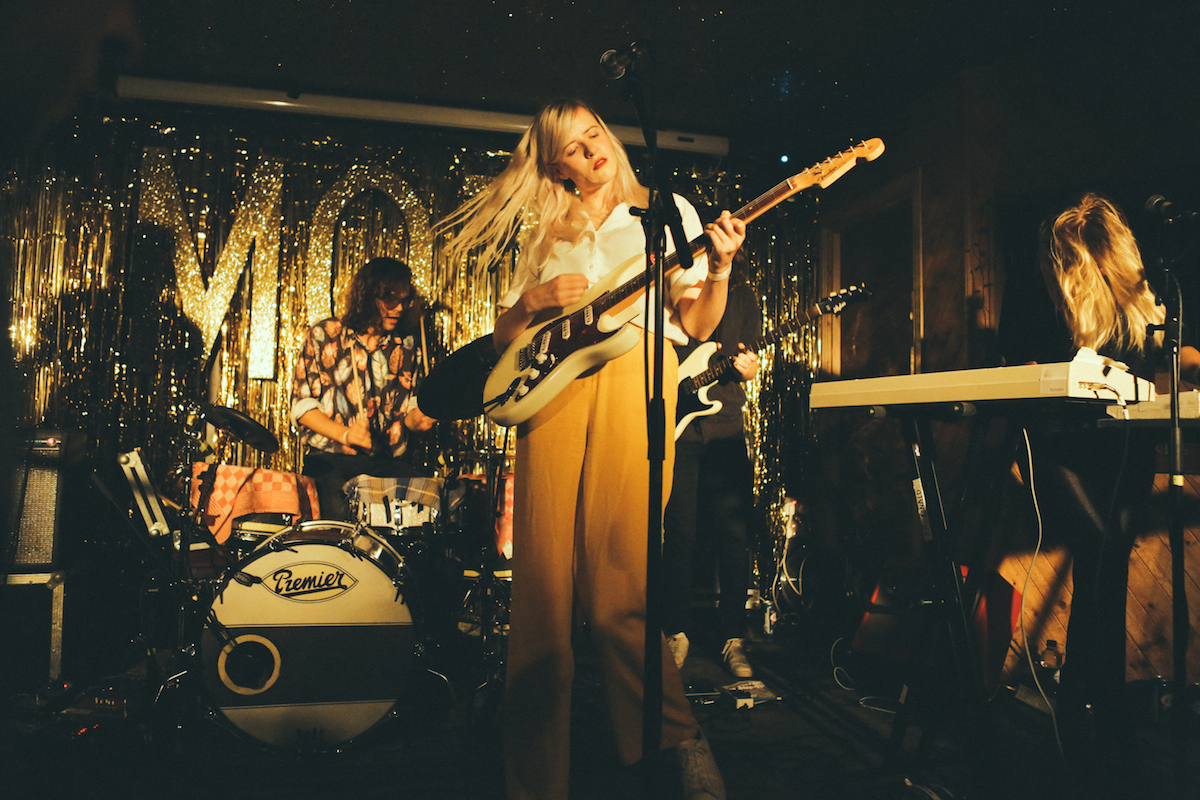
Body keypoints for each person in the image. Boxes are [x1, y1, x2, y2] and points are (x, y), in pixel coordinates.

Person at [440, 99, 745, 800]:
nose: (591, 151)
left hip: (638, 377)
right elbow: (506, 335)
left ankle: (676, 740)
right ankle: (533, 780)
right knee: (541, 595)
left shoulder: (667, 213)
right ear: (557, 167)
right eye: (573, 149)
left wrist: (721, 268)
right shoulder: (547, 231)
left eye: (595, 135)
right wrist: (535, 301)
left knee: (620, 589)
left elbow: (698, 324)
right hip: (552, 395)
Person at [999, 193, 1200, 788]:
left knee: (1105, 569)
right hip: (1057, 445)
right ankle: (1102, 713)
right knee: (1103, 549)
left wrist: (1191, 362)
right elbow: (1015, 363)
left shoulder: (1138, 293)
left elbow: (1171, 350)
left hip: (1122, 446)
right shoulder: (1037, 288)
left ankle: (1088, 709)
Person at [663, 256, 761, 679]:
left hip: (725, 428)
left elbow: (749, 359)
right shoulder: (675, 290)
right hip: (678, 429)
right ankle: (675, 631)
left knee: (734, 536)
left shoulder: (744, 298)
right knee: (678, 533)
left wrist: (749, 369)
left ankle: (732, 636)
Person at [289, 256, 436, 521]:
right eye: (390, 300)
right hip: (330, 460)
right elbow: (302, 408)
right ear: (369, 296)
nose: (399, 308)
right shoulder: (325, 334)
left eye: (404, 301)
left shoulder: (406, 346)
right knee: (338, 513)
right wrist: (346, 435)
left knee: (430, 497)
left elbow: (409, 415)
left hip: (384, 462)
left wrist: (422, 418)